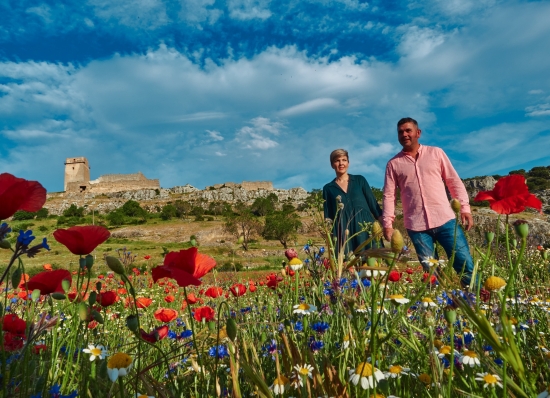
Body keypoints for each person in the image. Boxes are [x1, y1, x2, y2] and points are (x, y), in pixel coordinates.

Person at [382, 117, 475, 286]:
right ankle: (438, 307)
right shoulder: (393, 164)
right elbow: (389, 195)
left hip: (445, 220)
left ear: (418, 133)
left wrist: (464, 208)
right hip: (417, 227)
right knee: (431, 274)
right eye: (400, 132)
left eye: (408, 130)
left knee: (465, 264)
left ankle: (475, 302)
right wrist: (387, 224)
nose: (404, 134)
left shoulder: (436, 153)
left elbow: (453, 181)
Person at [323, 149, 383, 255]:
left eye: (344, 160)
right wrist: (331, 240)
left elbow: (373, 204)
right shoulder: (328, 188)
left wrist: (386, 225)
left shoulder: (360, 180)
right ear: (332, 165)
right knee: (349, 267)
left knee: (373, 262)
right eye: (337, 161)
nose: (341, 163)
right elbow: (328, 217)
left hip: (366, 228)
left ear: (348, 163)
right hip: (344, 233)